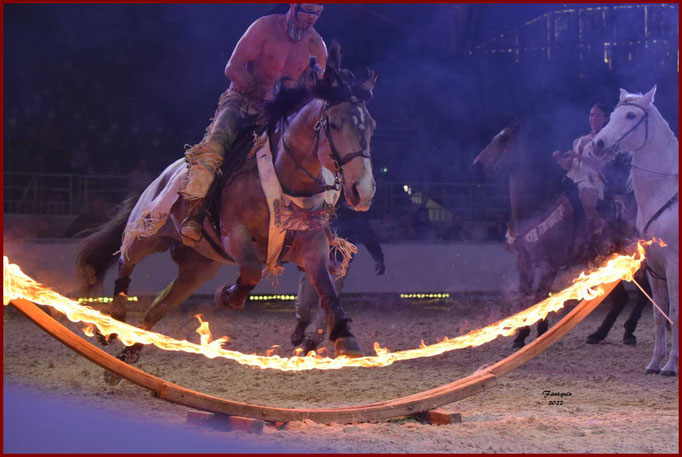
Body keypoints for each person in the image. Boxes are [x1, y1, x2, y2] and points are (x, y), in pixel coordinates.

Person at [179, 3, 328, 245]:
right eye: (308, 10)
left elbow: (317, 91)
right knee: (216, 144)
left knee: (313, 153)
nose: (312, 18)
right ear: (293, 5)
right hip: (242, 100)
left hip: (281, 113)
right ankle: (194, 213)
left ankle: (312, 224)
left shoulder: (316, 46)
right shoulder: (264, 28)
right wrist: (261, 94)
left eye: (318, 13)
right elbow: (233, 68)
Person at [291, 202, 386, 353]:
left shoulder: (355, 217)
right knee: (306, 300)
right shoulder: (320, 208)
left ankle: (313, 339)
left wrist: (378, 258)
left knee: (327, 303)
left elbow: (369, 237)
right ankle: (303, 322)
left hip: (338, 264)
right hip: (315, 259)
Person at [552, 103, 611, 244]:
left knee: (587, 200)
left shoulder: (606, 140)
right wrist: (560, 159)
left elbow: (600, 165)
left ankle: (599, 232)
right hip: (574, 178)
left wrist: (578, 156)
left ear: (605, 119)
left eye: (598, 115)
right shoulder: (579, 140)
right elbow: (568, 166)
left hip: (592, 178)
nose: (594, 118)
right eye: (592, 115)